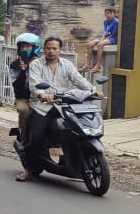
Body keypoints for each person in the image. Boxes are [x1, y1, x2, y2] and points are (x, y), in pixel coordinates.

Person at [18, 35, 96, 182]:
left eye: (55, 48)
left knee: (78, 130)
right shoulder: (36, 64)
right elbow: (34, 84)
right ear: (44, 49)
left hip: (64, 104)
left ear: (60, 50)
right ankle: (29, 169)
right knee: (36, 137)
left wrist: (93, 90)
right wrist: (43, 94)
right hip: (42, 106)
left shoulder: (67, 64)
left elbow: (78, 79)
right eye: (48, 48)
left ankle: (75, 162)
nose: (51, 51)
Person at [11, 32, 42, 138]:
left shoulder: (41, 64)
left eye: (28, 46)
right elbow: (16, 85)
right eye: (22, 47)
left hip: (41, 97)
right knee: (24, 111)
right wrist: (23, 71)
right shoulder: (15, 65)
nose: (25, 49)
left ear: (34, 48)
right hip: (23, 98)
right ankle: (23, 137)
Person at [84, 6, 118, 74]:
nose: (109, 15)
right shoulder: (105, 21)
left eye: (111, 13)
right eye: (107, 13)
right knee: (89, 44)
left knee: (100, 45)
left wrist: (103, 40)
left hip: (113, 38)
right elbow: (106, 31)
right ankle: (88, 64)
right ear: (105, 14)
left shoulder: (116, 22)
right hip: (106, 36)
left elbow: (114, 34)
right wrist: (102, 38)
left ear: (114, 14)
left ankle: (98, 65)